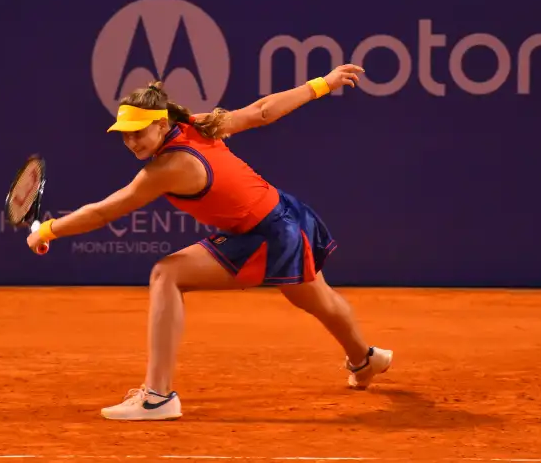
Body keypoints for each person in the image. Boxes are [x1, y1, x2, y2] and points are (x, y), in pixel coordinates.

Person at [26, 64, 393, 421]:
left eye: (139, 132)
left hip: (266, 233)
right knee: (319, 300)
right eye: (125, 134)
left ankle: (157, 397)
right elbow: (261, 112)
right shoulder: (194, 123)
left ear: (161, 124)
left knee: (166, 274)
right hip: (283, 214)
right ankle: (365, 359)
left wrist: (48, 230)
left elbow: (103, 212)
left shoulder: (167, 167)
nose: (131, 141)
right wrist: (323, 84)